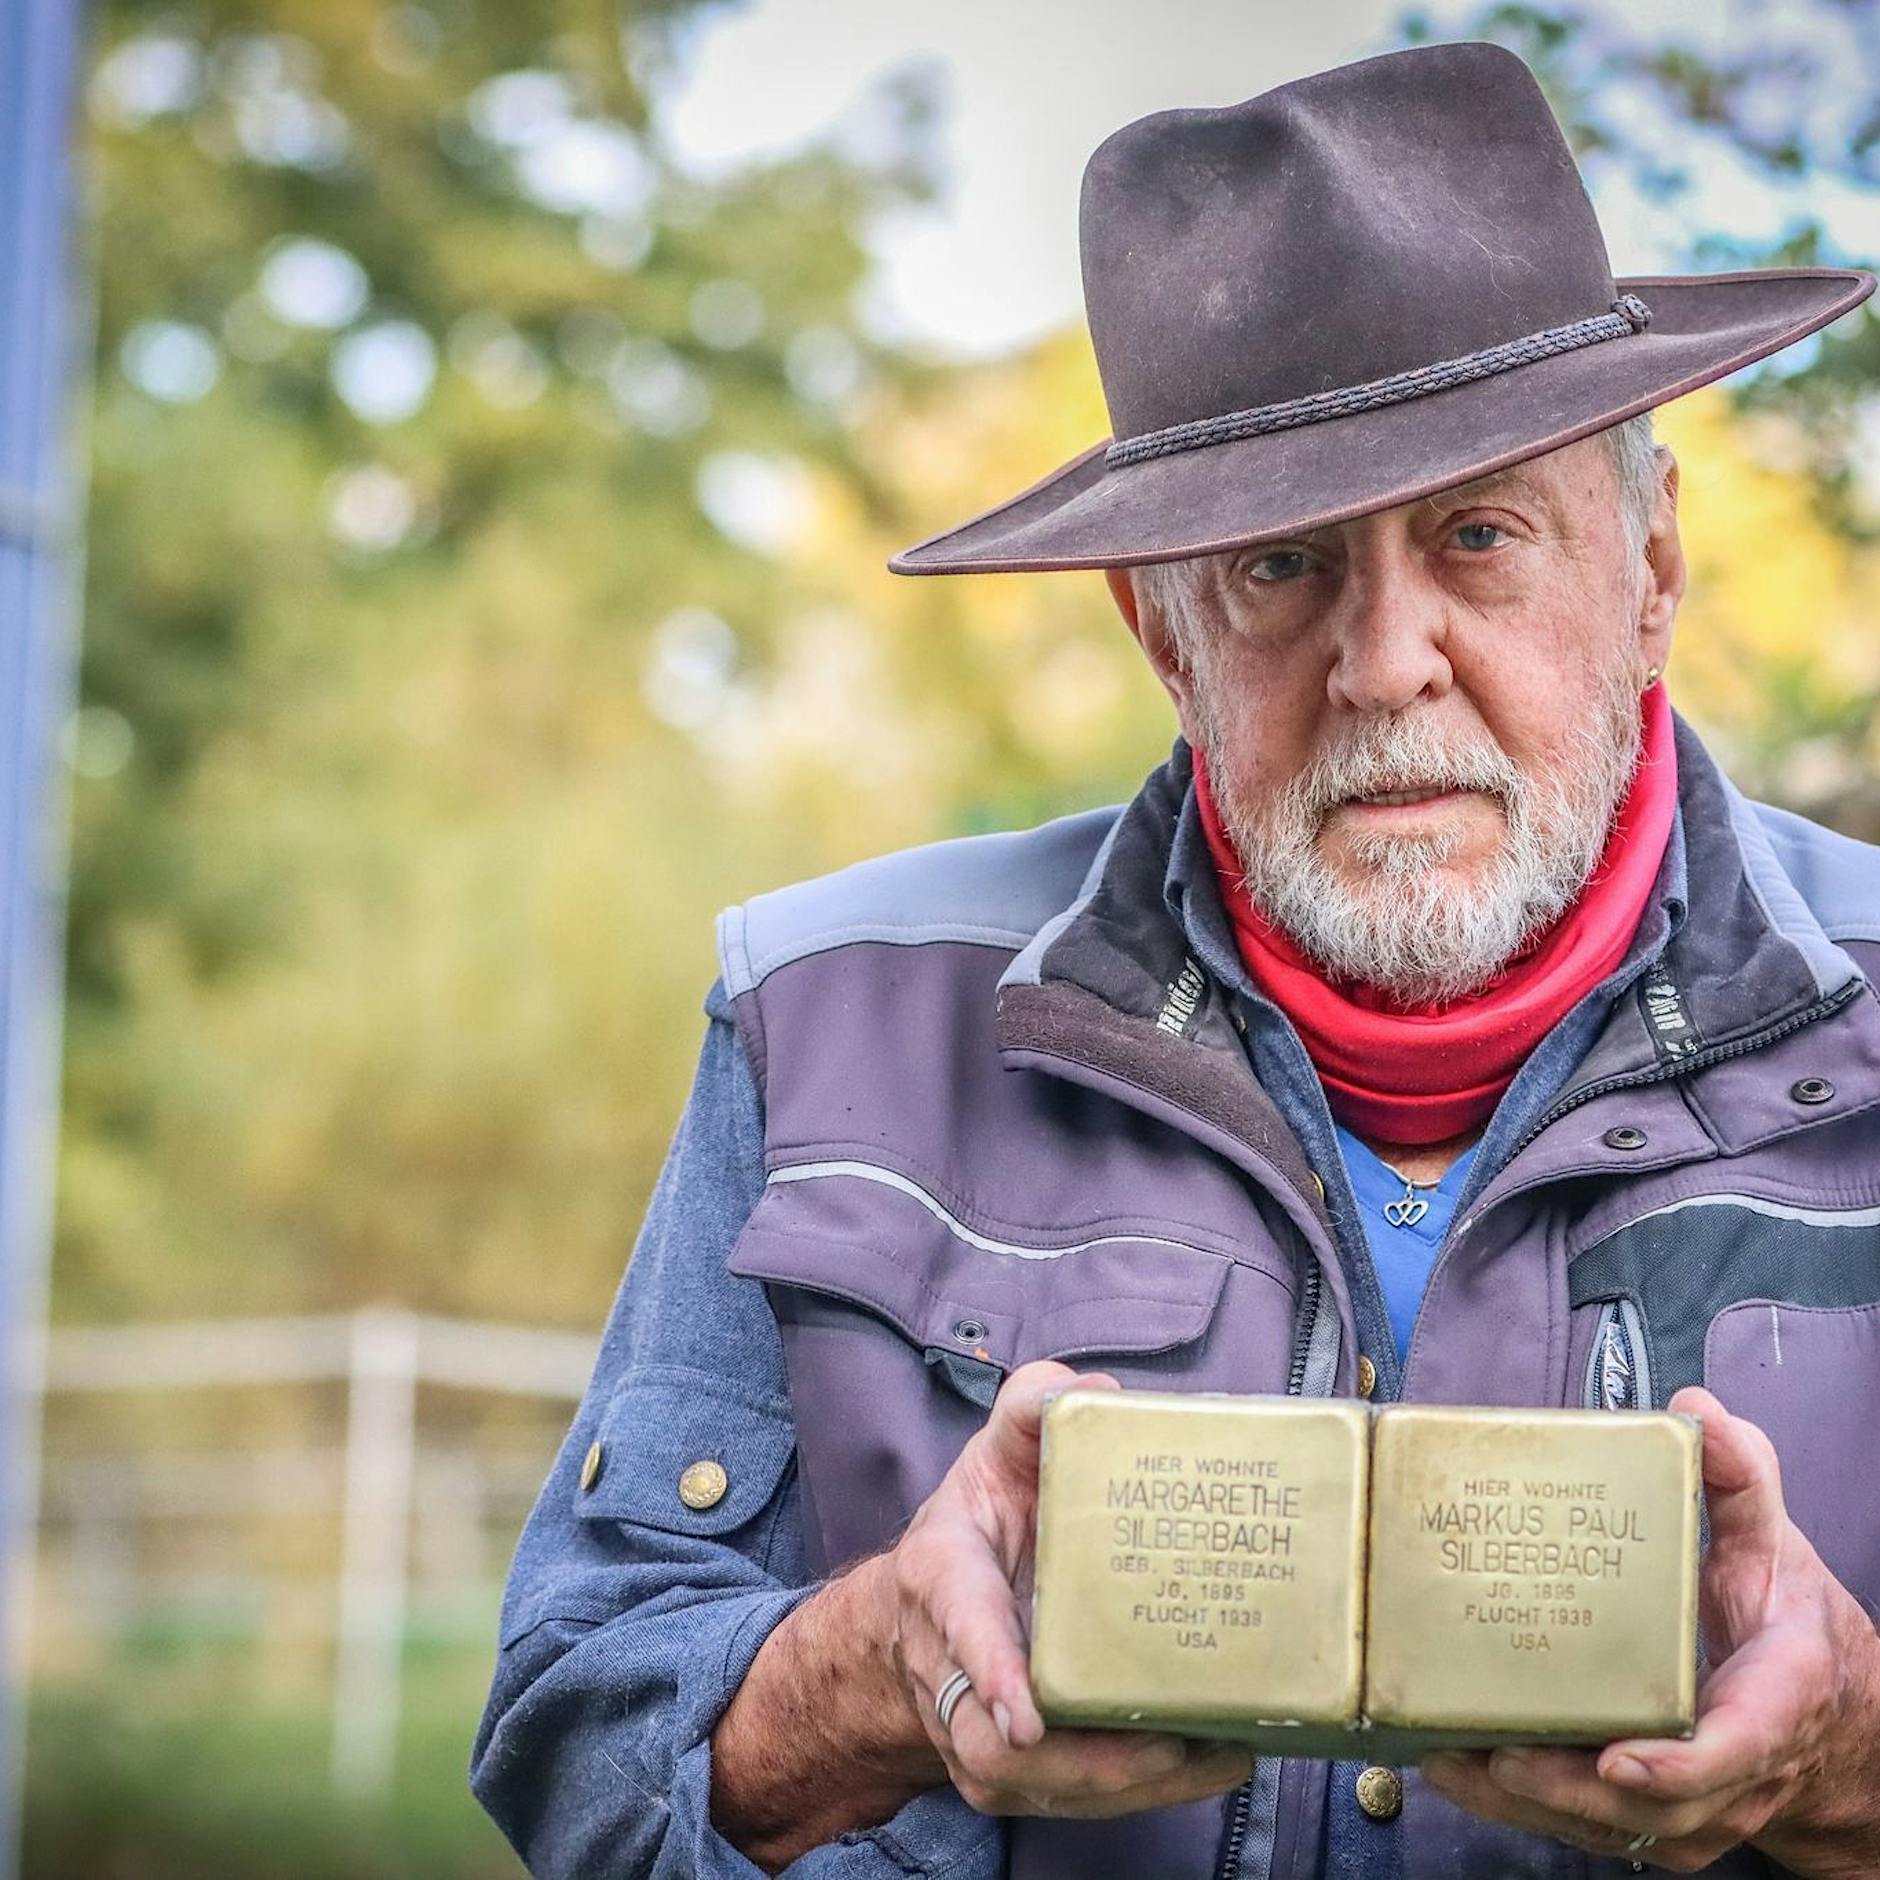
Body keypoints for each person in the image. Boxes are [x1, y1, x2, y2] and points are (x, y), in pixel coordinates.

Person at [471, 40, 1880, 1880]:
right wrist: (876, 1674)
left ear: (1654, 561)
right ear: (1161, 628)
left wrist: (1854, 1755)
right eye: (1282, 566)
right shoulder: (816, 1022)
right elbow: (577, 1750)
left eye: (1480, 535)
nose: (1387, 664)